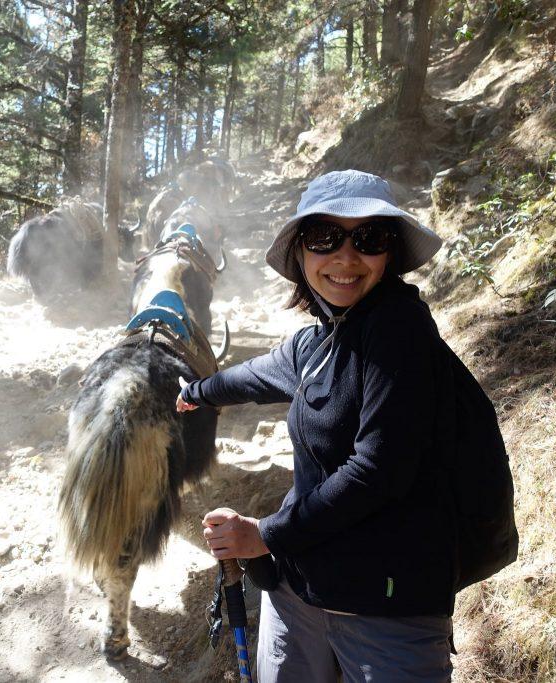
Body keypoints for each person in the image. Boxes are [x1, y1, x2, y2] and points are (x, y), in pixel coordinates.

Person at [176, 169, 456, 682]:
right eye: (324, 237)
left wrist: (265, 535)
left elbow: (379, 470)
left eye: (368, 238)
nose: (346, 257)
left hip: (386, 604)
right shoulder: (317, 344)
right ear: (301, 254)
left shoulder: (399, 330)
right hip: (300, 587)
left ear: (389, 253)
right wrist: (192, 393)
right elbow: (254, 376)